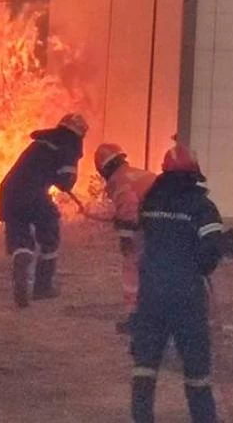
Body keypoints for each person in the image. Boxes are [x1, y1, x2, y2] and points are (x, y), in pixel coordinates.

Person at [131, 143, 224, 423]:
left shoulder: (150, 201)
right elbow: (211, 250)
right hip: (187, 296)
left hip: (151, 294)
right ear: (194, 172)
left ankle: (142, 418)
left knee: (145, 365)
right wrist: (198, 269)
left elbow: (142, 240)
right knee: (196, 368)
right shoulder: (202, 207)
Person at [0, 113, 87, 308]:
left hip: (8, 192)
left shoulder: (40, 143)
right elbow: (65, 181)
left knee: (19, 231)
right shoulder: (69, 144)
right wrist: (63, 179)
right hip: (34, 194)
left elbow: (35, 168)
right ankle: (43, 287)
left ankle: (22, 254)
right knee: (49, 231)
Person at [94, 143, 157, 335]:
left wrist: (125, 237)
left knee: (132, 267)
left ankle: (136, 317)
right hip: (166, 223)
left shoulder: (119, 180)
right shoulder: (138, 174)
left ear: (104, 168)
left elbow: (128, 207)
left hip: (150, 225)